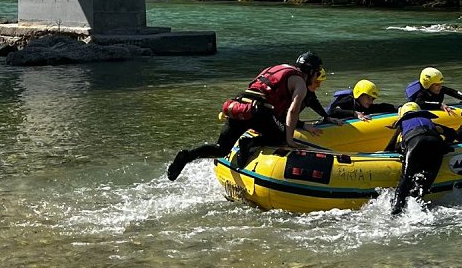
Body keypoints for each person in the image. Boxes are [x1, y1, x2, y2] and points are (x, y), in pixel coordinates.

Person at [166, 52, 335, 180]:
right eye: (317, 71)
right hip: (259, 111)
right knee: (281, 137)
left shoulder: (278, 68)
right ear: (311, 70)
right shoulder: (300, 83)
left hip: (240, 104)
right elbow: (292, 111)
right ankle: (249, 143)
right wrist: (289, 140)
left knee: (221, 148)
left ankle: (187, 155)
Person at [385, 101, 461, 214]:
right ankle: (418, 202)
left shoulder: (403, 123)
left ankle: (397, 208)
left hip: (415, 143)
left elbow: (390, 147)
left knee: (406, 178)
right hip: (436, 144)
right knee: (426, 180)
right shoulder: (429, 121)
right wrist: (448, 142)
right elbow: (451, 133)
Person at [327, 79, 398, 121]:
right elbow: (331, 112)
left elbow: (381, 107)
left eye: (373, 99)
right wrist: (354, 113)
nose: (371, 102)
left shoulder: (365, 105)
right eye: (368, 98)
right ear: (359, 95)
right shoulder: (347, 100)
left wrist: (400, 108)